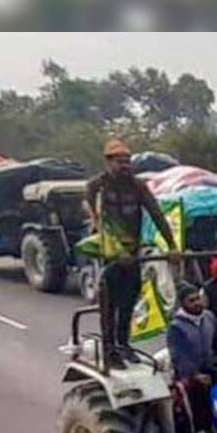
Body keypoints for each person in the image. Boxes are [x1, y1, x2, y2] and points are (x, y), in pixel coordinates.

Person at [83, 139, 178, 368]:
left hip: (133, 253)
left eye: (127, 161)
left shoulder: (138, 186)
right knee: (109, 303)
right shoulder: (97, 186)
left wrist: (172, 246)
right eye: (119, 161)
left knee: (128, 302)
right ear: (107, 163)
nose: (124, 165)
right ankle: (109, 350)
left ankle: (123, 345)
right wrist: (116, 253)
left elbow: (156, 215)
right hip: (108, 254)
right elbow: (98, 221)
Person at [166, 282, 217, 433]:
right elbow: (179, 356)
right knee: (196, 408)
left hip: (210, 367)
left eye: (198, 298)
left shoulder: (209, 317)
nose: (197, 303)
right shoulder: (176, 327)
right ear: (183, 304)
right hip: (189, 375)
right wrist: (194, 374)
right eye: (191, 300)